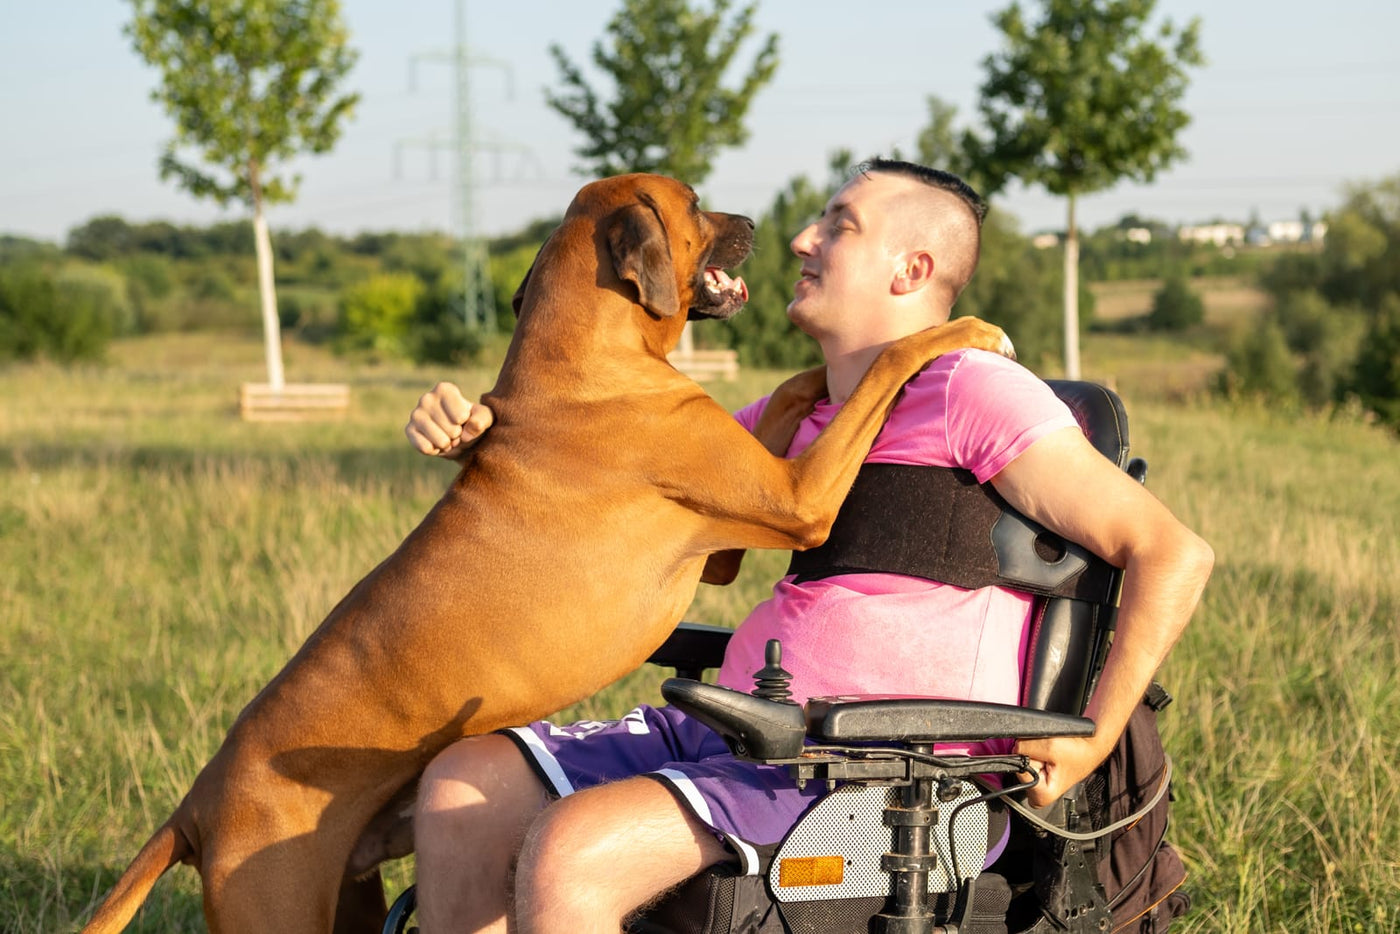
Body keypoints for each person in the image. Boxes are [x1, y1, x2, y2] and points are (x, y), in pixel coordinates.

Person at [402, 159, 1214, 934]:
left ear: (910, 269)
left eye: (839, 226)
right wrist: (484, 437)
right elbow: (606, 494)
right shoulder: (797, 415)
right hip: (746, 736)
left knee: (574, 849)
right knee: (462, 785)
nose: (800, 240)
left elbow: (1172, 552)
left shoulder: (970, 388)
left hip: (890, 783)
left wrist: (1093, 735)